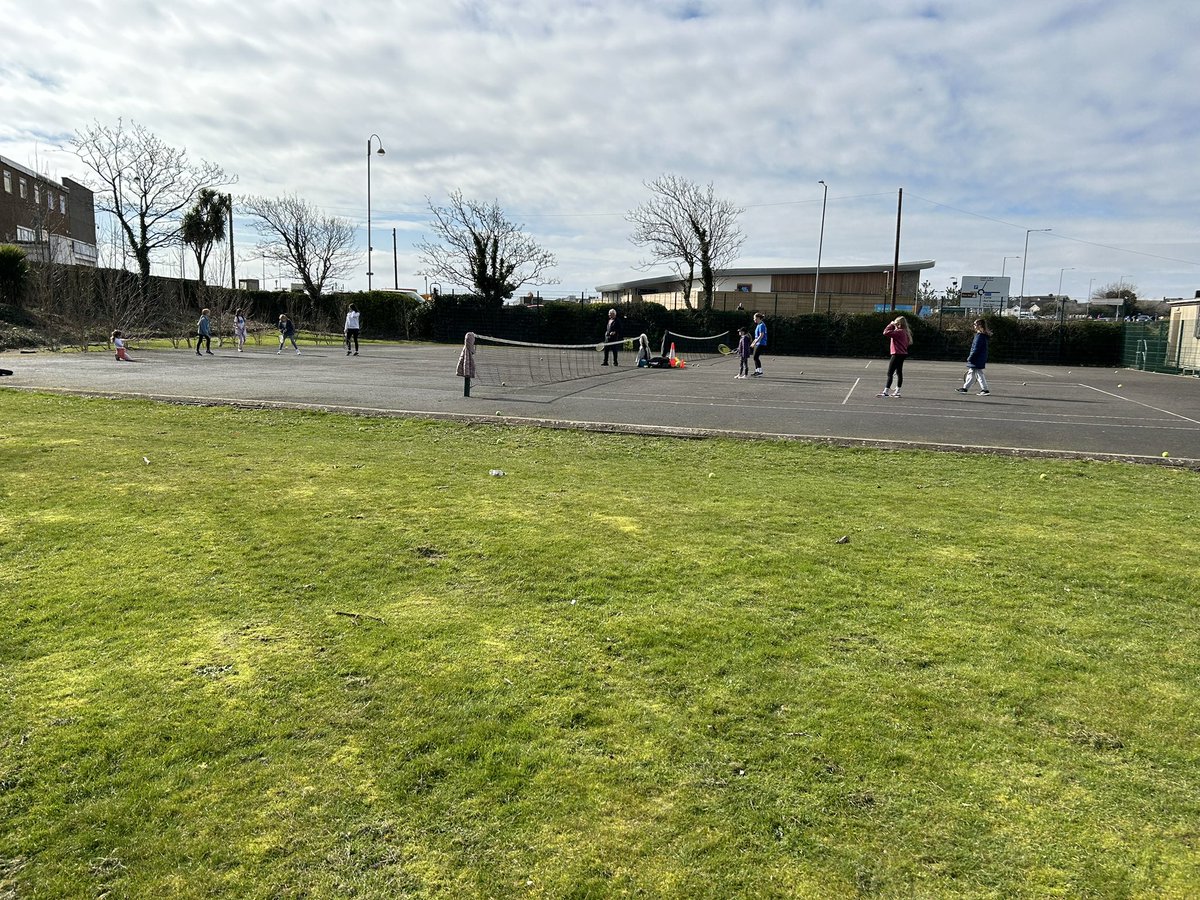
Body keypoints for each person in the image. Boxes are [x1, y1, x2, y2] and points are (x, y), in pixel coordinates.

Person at [877, 316, 913, 397]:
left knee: (890, 373)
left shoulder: (899, 332)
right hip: (903, 354)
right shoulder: (905, 332)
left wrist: (891, 324)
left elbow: (885, 332)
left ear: (899, 324)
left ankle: (886, 391)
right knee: (899, 372)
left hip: (897, 354)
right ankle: (897, 390)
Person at [956, 318, 992, 395]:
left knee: (978, 373)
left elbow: (976, 348)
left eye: (975, 324)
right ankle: (965, 388)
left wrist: (971, 357)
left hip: (977, 358)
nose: (974, 326)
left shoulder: (980, 336)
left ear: (980, 325)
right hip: (979, 357)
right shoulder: (981, 335)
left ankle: (985, 390)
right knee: (972, 373)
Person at [750, 312, 767, 376]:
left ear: (758, 318)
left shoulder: (762, 325)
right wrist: (753, 343)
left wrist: (755, 343)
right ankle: (757, 371)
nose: (754, 319)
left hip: (761, 343)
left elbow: (761, 335)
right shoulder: (758, 325)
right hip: (758, 343)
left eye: (754, 318)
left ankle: (760, 371)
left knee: (756, 357)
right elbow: (756, 337)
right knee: (755, 357)